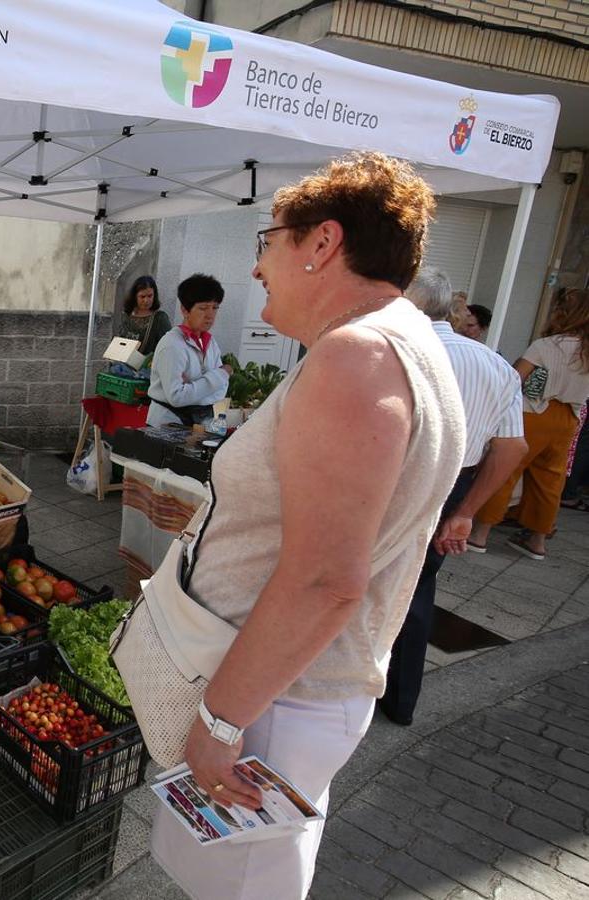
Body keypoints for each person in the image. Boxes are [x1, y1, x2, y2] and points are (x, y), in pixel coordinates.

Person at [148, 152, 464, 900]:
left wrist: (220, 725)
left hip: (274, 699)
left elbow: (326, 581)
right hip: (289, 688)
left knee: (243, 885)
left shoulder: (357, 357)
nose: (257, 265)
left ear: (321, 244)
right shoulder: (404, 344)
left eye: (268, 239)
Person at [380, 269, 525, 726]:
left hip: (398, 477)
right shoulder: (496, 365)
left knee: (368, 579)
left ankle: (345, 691)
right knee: (418, 584)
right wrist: (465, 512)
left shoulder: (401, 351)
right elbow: (511, 447)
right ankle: (400, 700)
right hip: (457, 481)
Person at [469, 288, 589, 560]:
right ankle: (537, 540)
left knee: (506, 470)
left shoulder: (547, 346)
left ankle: (480, 534)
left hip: (535, 413)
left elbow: (514, 378)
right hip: (569, 418)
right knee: (550, 480)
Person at [145, 273, 230, 428]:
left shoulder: (211, 343)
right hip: (168, 423)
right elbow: (177, 397)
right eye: (203, 308)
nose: (210, 315)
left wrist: (193, 386)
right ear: (185, 310)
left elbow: (221, 391)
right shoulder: (172, 345)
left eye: (215, 308)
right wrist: (220, 374)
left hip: (200, 422)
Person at [115, 274, 171, 356]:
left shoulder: (160, 318)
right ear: (135, 297)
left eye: (150, 296)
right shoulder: (126, 316)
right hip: (122, 364)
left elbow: (167, 347)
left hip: (147, 366)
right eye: (142, 296)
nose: (146, 300)